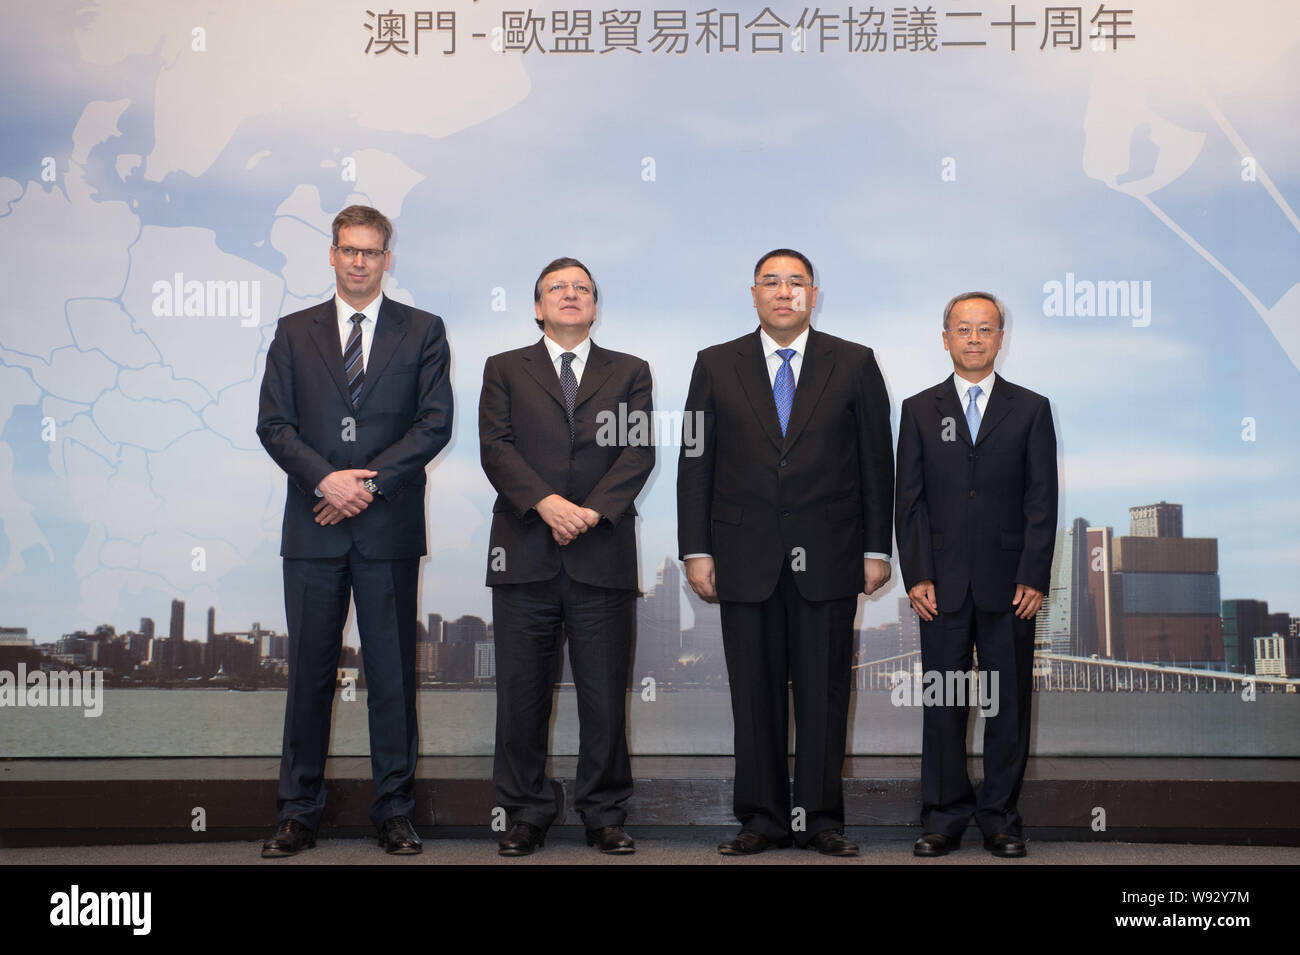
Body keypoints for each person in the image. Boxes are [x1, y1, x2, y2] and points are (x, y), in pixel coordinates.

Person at [677, 249, 894, 856]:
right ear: (753, 294)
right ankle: (763, 819)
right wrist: (696, 549)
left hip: (830, 553)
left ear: (813, 295)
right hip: (742, 555)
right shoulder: (715, 364)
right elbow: (695, 463)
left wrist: (878, 547)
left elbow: (879, 462)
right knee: (754, 694)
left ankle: (822, 819)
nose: (783, 292)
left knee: (826, 694)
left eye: (795, 282)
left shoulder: (853, 363)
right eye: (770, 282)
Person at [256, 205, 452, 857]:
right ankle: (298, 812)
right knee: (309, 673)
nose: (360, 261)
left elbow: (433, 424)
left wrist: (364, 485)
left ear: (387, 258)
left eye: (372, 251)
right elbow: (275, 426)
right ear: (333, 255)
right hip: (313, 529)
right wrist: (327, 481)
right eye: (349, 250)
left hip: (387, 528)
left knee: (391, 676)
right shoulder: (292, 333)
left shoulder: (423, 331)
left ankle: (394, 811)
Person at [479, 257, 654, 856]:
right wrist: (548, 505)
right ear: (537, 306)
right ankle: (526, 812)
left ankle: (603, 813)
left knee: (604, 696)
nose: (571, 295)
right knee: (521, 696)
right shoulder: (503, 369)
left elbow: (638, 452)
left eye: (583, 289)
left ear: (596, 307)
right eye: (558, 288)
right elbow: (495, 450)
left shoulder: (630, 371)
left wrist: (588, 513)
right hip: (524, 553)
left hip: (600, 552)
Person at [895, 291, 1057, 858]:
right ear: (945, 338)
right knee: (943, 704)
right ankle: (942, 818)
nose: (973, 338)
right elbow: (908, 502)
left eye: (984, 329)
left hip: (1011, 585)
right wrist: (915, 573)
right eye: (962, 329)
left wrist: (1035, 575)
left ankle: (1001, 819)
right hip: (938, 585)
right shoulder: (918, 409)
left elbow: (1042, 501)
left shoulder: (1032, 409)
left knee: (1006, 704)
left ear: (1000, 339)